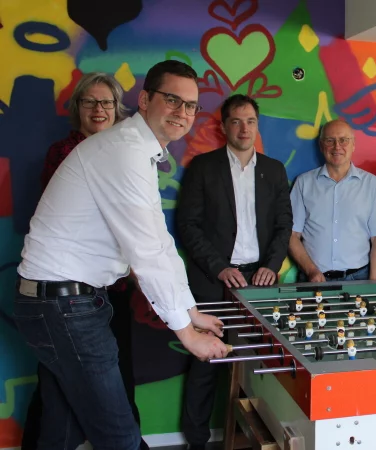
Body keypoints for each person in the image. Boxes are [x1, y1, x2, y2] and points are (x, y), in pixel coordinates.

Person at [13, 60, 228, 450]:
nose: (183, 113)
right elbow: (145, 251)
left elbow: (160, 242)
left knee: (61, 429)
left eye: (191, 105)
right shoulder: (125, 150)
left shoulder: (139, 151)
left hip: (61, 300)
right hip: (64, 304)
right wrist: (186, 334)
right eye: (172, 100)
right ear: (144, 100)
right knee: (120, 436)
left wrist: (191, 310)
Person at [22, 72, 151, 450]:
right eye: (90, 102)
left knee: (116, 375)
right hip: (66, 292)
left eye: (107, 102)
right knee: (58, 381)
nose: (99, 109)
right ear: (77, 108)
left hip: (113, 287)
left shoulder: (127, 153)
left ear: (118, 109)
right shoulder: (65, 153)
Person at [176, 94, 292, 450]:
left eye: (251, 121)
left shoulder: (273, 170)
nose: (244, 128)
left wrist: (271, 267)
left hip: (259, 281)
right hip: (213, 281)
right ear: (223, 126)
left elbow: (283, 225)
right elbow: (188, 225)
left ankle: (251, 436)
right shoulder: (202, 166)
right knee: (206, 361)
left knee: (258, 364)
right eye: (237, 121)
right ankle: (195, 440)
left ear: (258, 125)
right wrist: (220, 268)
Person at [289, 119, 376, 282]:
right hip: (313, 279)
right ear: (321, 145)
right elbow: (292, 235)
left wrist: (374, 283)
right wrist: (311, 271)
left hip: (358, 279)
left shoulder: (372, 184)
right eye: (330, 140)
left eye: (344, 140)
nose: (337, 146)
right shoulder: (303, 183)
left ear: (353, 145)